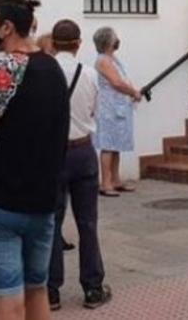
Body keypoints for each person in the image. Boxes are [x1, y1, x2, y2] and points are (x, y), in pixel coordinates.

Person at [0, 0, 68, 320]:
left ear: (7, 27)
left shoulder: (8, 66)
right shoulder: (52, 66)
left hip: (3, 198)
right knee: (37, 289)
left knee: (7, 295)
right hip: (43, 198)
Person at [46, 20, 112, 311]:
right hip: (83, 150)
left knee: (51, 223)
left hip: (52, 153)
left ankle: (51, 291)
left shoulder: (44, 74)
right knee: (87, 223)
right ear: (78, 43)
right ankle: (93, 287)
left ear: (53, 43)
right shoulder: (89, 75)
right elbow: (95, 110)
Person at [93, 27, 141, 197]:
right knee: (108, 145)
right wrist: (133, 92)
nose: (117, 40)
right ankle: (105, 183)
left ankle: (116, 179)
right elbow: (116, 82)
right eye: (114, 38)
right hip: (109, 109)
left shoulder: (112, 58)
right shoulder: (103, 60)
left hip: (118, 107)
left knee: (116, 145)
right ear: (108, 41)